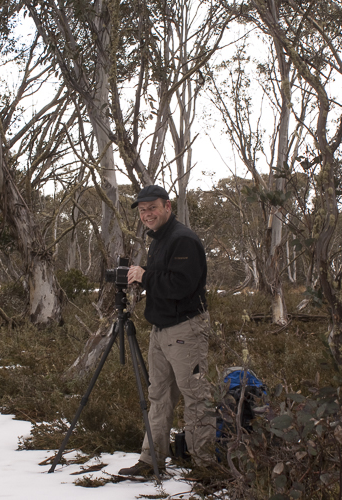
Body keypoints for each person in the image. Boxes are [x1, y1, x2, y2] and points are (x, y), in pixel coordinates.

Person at [118, 185, 215, 477]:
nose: (147, 214)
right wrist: (145, 275)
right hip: (161, 330)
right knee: (158, 395)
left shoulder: (182, 239)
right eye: (143, 210)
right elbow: (165, 279)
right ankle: (152, 460)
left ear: (168, 207)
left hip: (185, 328)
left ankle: (206, 466)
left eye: (153, 208)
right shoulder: (159, 238)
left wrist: (146, 276)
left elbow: (181, 285)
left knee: (196, 397)